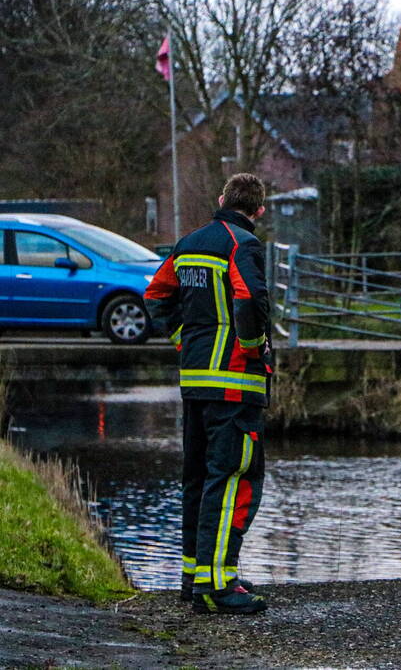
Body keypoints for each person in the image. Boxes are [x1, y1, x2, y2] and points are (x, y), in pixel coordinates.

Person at [145, 173, 272, 615]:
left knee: (197, 478)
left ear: (221, 199)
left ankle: (194, 576)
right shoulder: (243, 244)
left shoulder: (187, 244)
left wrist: (183, 338)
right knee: (233, 477)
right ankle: (218, 584)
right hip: (234, 382)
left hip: (195, 378)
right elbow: (250, 297)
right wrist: (254, 348)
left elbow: (156, 294)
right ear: (258, 210)